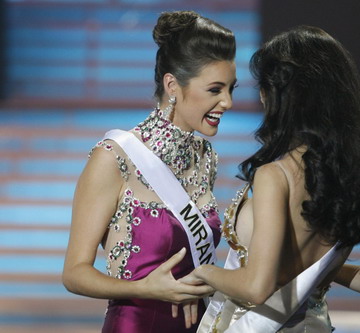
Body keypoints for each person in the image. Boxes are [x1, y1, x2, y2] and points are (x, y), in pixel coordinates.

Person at [189, 25, 360, 332]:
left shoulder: (276, 176)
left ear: (280, 97)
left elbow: (257, 287)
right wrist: (321, 273)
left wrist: (202, 273)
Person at [62, 10, 237, 332]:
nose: (227, 102)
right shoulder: (115, 157)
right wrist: (144, 288)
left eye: (231, 89)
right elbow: (74, 273)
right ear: (172, 85)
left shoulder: (206, 157)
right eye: (215, 90)